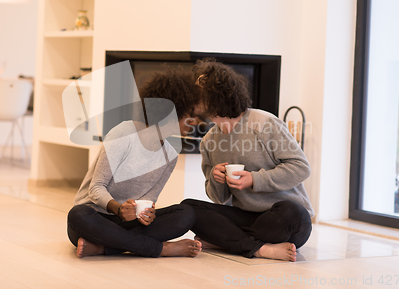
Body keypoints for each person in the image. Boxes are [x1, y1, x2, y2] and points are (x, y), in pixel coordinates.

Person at [181, 58, 314, 262]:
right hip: (247, 217)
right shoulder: (209, 141)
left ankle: (225, 241)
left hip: (283, 218)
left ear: (216, 97)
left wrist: (254, 179)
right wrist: (216, 179)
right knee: (189, 208)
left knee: (293, 212)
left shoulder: (264, 123)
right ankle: (260, 248)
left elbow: (301, 168)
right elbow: (218, 199)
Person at [67, 69, 202, 258]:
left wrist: (148, 215)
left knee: (186, 214)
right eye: (189, 113)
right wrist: (119, 209)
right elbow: (96, 188)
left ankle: (105, 248)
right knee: (77, 215)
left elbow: (149, 201)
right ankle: (161, 249)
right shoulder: (123, 133)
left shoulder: (170, 155)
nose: (194, 121)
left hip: (128, 225)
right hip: (96, 218)